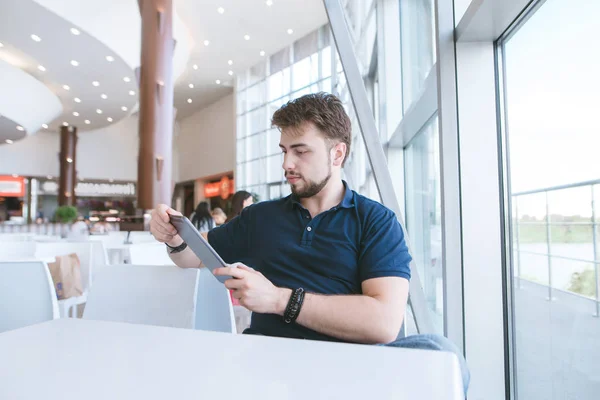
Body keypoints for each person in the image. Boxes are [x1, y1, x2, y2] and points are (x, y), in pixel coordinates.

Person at [150, 93, 469, 394]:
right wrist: (174, 237)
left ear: (337, 153)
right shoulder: (260, 218)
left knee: (441, 353)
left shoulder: (375, 221)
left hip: (346, 369)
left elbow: (384, 322)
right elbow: (192, 257)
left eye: (301, 151)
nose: (287, 163)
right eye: (284, 150)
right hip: (268, 362)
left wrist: (278, 299)